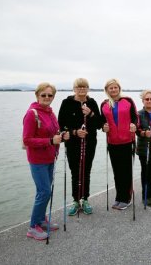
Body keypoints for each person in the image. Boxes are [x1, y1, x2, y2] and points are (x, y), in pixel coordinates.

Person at [23, 82, 69, 240]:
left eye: (50, 95)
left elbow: (54, 133)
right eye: (44, 95)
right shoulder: (32, 113)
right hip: (37, 160)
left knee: (44, 191)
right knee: (44, 192)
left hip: (50, 157)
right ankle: (33, 227)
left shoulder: (50, 112)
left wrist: (62, 136)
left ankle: (41, 220)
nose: (47, 98)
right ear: (37, 95)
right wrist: (50, 141)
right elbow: (27, 140)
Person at [58, 78, 103, 216]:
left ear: (88, 88)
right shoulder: (67, 103)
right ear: (74, 88)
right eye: (79, 87)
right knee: (75, 172)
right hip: (72, 143)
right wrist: (74, 132)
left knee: (86, 170)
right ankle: (76, 200)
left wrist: (91, 113)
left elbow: (99, 124)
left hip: (89, 142)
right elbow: (61, 124)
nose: (82, 89)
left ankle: (85, 199)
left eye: (85, 87)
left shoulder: (92, 102)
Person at [101, 79, 138, 210]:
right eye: (110, 88)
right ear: (107, 90)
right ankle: (119, 197)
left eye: (115, 87)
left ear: (119, 88)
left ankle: (126, 199)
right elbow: (102, 122)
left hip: (127, 141)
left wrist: (134, 125)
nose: (113, 90)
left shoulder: (127, 101)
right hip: (112, 142)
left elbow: (135, 117)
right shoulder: (104, 104)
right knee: (117, 171)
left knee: (126, 171)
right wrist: (103, 127)